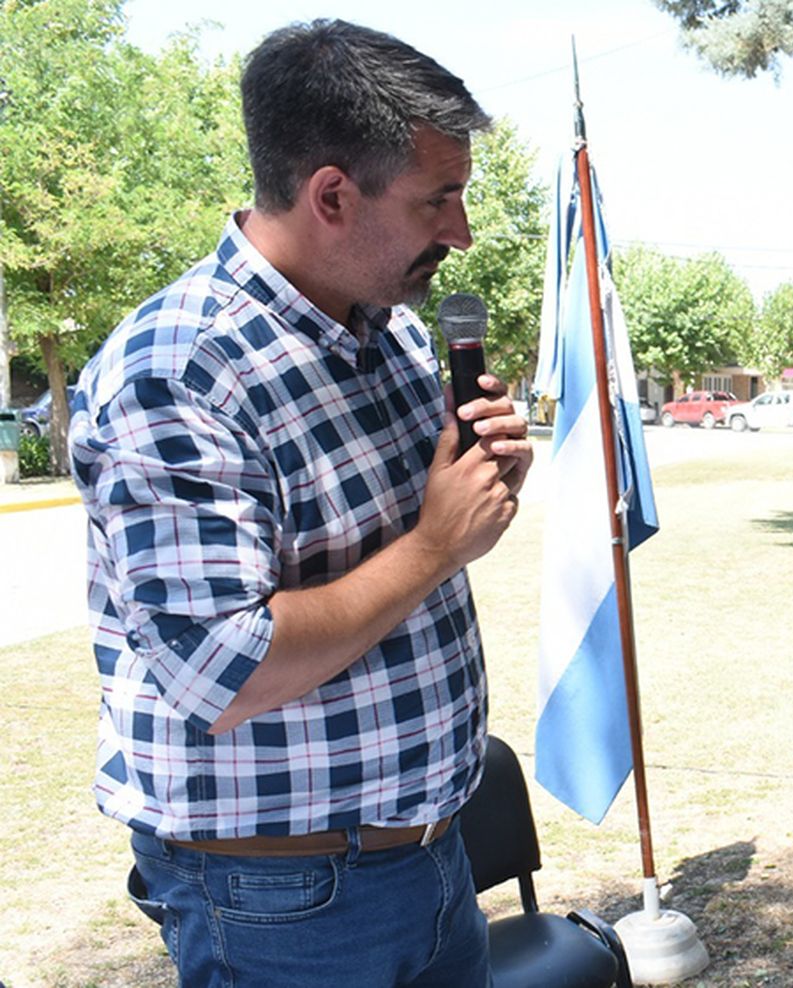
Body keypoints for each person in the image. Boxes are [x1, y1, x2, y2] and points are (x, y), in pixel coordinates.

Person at [68, 20, 529, 987]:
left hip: (433, 857)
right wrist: (438, 545)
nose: (461, 233)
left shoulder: (392, 334)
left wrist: (478, 486)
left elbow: (410, 538)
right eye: (438, 199)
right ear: (330, 194)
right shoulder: (180, 372)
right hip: (284, 905)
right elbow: (224, 675)